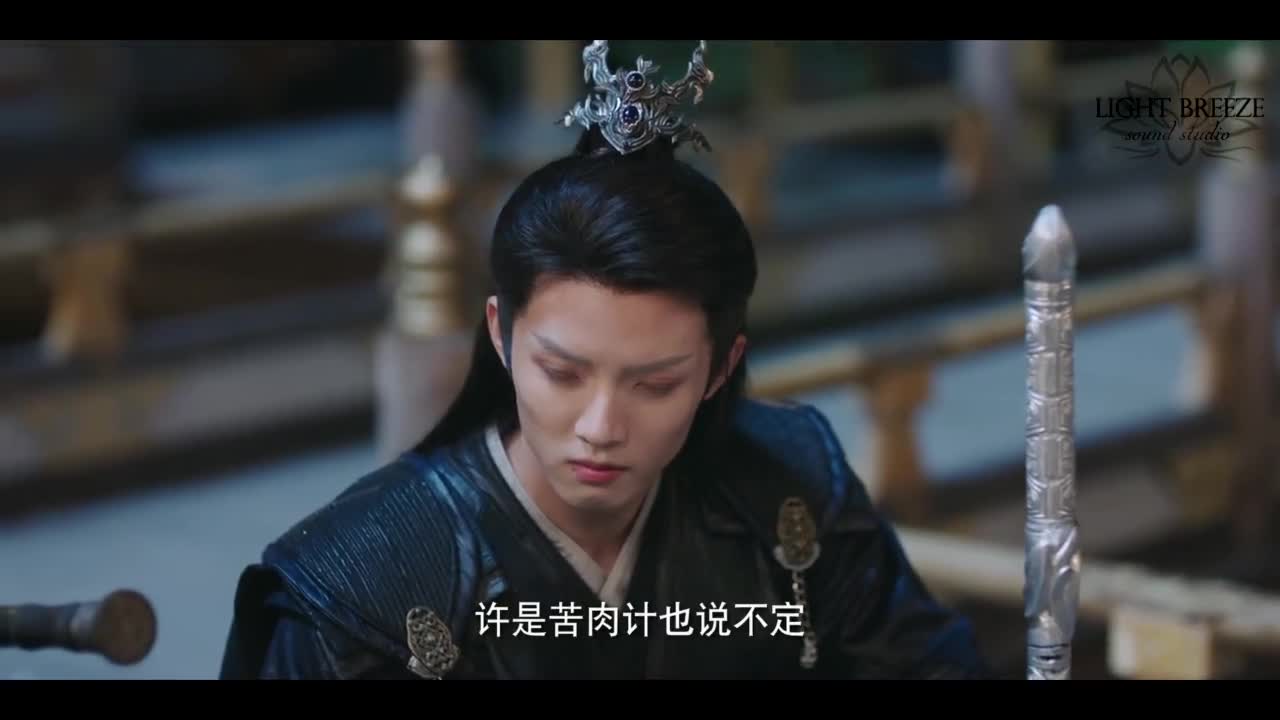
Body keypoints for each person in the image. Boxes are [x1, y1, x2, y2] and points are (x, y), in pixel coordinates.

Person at [218, 40, 994, 680]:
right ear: (501, 335)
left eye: (655, 384)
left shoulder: (792, 489)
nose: (600, 427)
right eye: (562, 373)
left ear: (722, 369)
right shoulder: (358, 589)